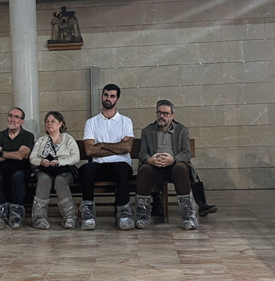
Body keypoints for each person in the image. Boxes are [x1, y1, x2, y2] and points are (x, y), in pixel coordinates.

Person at [135, 100, 200, 230]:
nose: (162, 116)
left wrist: (174, 159)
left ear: (172, 115)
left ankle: (188, 216)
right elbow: (142, 153)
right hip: (154, 166)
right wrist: (149, 160)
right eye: (159, 113)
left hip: (174, 165)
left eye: (165, 113)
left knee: (181, 168)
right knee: (144, 170)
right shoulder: (148, 131)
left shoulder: (182, 130)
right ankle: (143, 215)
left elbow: (187, 153)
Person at [79, 84, 135, 230]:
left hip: (121, 164)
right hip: (100, 165)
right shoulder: (91, 122)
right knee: (87, 168)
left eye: (112, 96)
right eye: (105, 95)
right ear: (102, 96)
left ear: (117, 99)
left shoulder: (125, 121)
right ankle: (88, 212)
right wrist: (117, 147)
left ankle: (123, 212)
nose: (108, 98)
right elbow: (89, 150)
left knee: (121, 168)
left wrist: (102, 144)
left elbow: (127, 148)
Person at [30, 111, 81, 229]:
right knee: (43, 180)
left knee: (60, 181)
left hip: (64, 169)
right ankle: (39, 218)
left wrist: (60, 162)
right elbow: (33, 157)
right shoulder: (41, 140)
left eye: (53, 121)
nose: (49, 124)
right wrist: (40, 161)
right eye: (47, 121)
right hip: (46, 169)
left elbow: (75, 157)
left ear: (60, 124)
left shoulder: (68, 139)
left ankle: (71, 217)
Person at [0, 107, 35, 229]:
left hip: (20, 168)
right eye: (10, 116)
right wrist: (13, 154)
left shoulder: (28, 136)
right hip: (1, 168)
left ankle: (16, 217)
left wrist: (3, 153)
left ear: (22, 121)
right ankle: (0, 217)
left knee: (18, 177)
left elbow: (21, 156)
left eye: (16, 117)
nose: (12, 119)